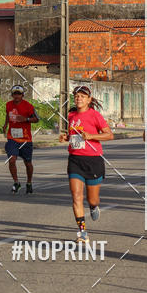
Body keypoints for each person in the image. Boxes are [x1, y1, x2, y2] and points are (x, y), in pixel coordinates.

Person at [60, 85, 113, 242]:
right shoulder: (71, 115)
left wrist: (91, 136)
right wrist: (66, 138)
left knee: (92, 199)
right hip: (75, 160)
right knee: (76, 196)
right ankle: (82, 232)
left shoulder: (94, 115)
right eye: (77, 96)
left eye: (83, 96)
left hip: (93, 161)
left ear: (89, 100)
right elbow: (74, 136)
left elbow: (109, 135)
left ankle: (93, 206)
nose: (79, 98)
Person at [3, 85, 39, 194]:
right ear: (12, 95)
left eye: (19, 94)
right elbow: (8, 115)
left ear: (22, 95)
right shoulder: (8, 104)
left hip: (26, 139)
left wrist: (26, 119)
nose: (17, 96)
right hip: (12, 138)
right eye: (15, 93)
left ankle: (29, 182)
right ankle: (16, 182)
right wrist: (5, 125)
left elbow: (37, 119)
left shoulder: (28, 106)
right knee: (11, 160)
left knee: (28, 163)